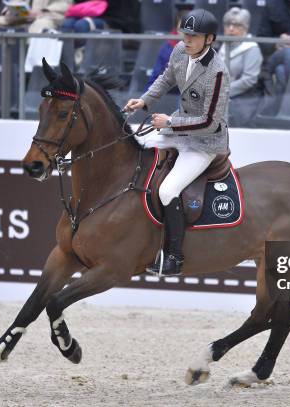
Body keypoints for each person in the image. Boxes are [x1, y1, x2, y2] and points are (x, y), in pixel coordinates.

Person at [123, 8, 230, 276]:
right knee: (135, 153)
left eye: (194, 36)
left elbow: (210, 122)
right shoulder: (180, 52)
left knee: (168, 190)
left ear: (210, 40)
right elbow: (167, 77)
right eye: (185, 34)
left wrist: (169, 123)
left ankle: (173, 257)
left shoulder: (218, 73)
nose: (187, 39)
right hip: (178, 129)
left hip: (205, 142)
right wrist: (145, 100)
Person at [219, 7, 263, 127]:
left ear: (245, 28)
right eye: (228, 25)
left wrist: (222, 92)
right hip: (220, 96)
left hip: (242, 100)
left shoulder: (252, 49)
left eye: (237, 25)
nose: (231, 28)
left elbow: (249, 80)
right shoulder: (223, 46)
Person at [144, 0, 195, 91]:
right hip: (169, 93)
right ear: (177, 28)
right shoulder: (166, 49)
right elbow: (155, 77)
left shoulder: (204, 48)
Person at [0, 0, 71, 34]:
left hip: (49, 16)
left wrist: (42, 11)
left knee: (41, 25)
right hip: (24, 16)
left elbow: (66, 5)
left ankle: (32, 68)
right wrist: (10, 10)